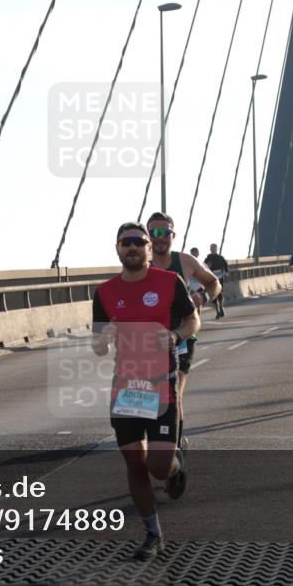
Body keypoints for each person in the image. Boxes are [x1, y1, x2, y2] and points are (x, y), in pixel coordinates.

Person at [92, 222, 199, 560]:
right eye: (126, 242)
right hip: (125, 389)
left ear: (149, 250)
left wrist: (176, 336)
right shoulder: (104, 292)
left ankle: (176, 467)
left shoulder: (169, 282)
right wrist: (103, 337)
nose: (133, 247)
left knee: (158, 466)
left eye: (139, 242)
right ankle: (152, 533)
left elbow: (192, 320)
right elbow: (96, 347)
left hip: (161, 387)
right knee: (135, 465)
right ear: (118, 249)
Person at [145, 212, 220, 446]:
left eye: (164, 232)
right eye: (154, 232)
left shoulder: (185, 262)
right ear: (148, 237)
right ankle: (156, 440)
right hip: (149, 341)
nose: (159, 237)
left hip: (182, 336)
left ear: (173, 235)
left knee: (173, 392)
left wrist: (204, 296)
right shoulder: (139, 264)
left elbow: (213, 282)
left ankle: (174, 451)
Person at [203, 243, 230, 320]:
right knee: (213, 295)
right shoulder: (207, 259)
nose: (213, 249)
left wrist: (227, 271)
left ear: (216, 249)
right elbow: (204, 267)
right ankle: (218, 311)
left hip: (220, 277)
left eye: (214, 247)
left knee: (220, 293)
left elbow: (226, 265)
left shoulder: (220, 258)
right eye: (212, 247)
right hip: (211, 278)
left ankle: (221, 307)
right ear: (210, 249)